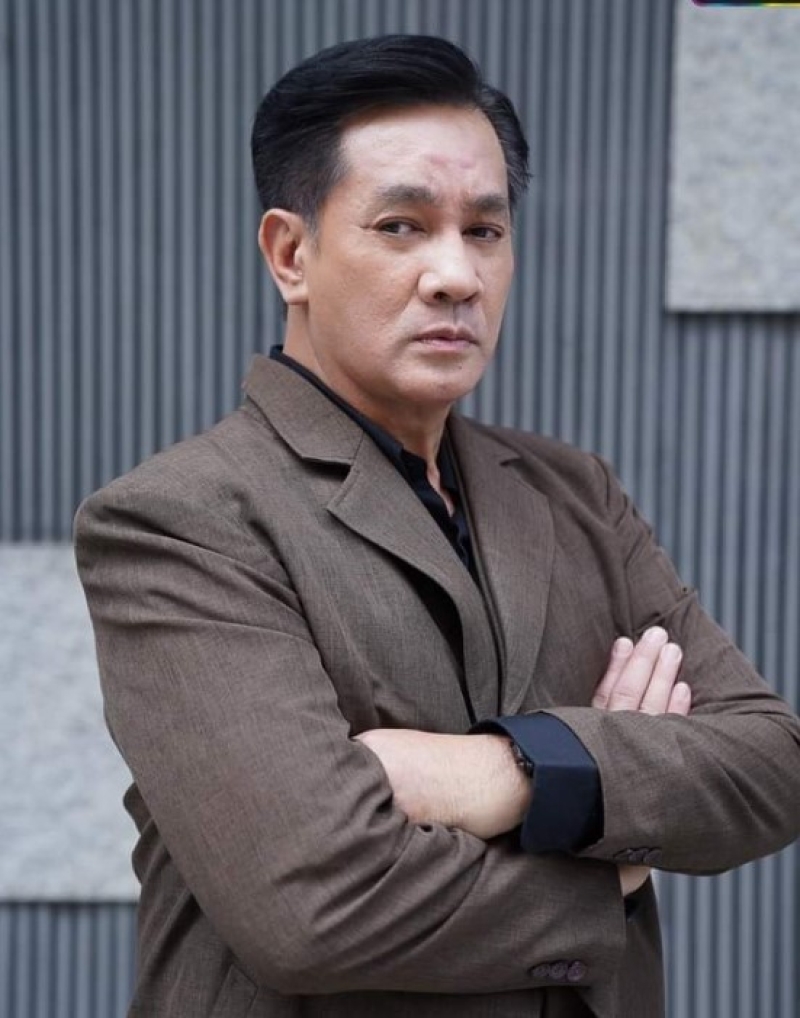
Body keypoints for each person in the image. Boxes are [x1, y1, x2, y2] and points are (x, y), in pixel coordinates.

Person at [74, 35, 800, 1018]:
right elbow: (311, 907)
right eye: (401, 226)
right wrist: (615, 856)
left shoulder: (574, 493)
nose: (456, 274)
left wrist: (509, 772)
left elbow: (768, 764)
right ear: (291, 254)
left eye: (485, 231)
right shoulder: (182, 519)